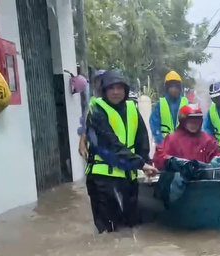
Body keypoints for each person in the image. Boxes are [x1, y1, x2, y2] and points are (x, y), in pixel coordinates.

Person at [85, 69, 158, 233]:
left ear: (125, 90)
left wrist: (146, 161)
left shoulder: (132, 109)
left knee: (130, 227)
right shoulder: (97, 111)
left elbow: (142, 139)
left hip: (127, 178)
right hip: (102, 179)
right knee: (108, 231)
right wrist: (140, 164)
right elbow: (110, 144)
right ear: (104, 90)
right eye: (111, 88)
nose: (116, 92)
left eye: (120, 87)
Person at [153, 104, 220, 170]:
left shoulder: (208, 140)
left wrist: (217, 162)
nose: (194, 124)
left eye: (196, 120)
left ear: (201, 121)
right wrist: (173, 162)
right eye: (190, 121)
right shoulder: (172, 139)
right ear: (183, 121)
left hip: (202, 180)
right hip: (178, 180)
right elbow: (159, 158)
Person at [149, 70, 189, 149]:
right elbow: (154, 125)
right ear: (167, 88)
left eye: (176, 86)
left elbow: (195, 124)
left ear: (180, 88)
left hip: (184, 146)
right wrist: (161, 142)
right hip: (164, 145)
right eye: (171, 86)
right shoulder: (160, 104)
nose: (174, 89)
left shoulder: (187, 103)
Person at [78, 69, 105, 159]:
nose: (100, 84)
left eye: (102, 80)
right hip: (96, 152)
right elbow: (85, 125)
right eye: (97, 80)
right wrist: (82, 143)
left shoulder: (117, 103)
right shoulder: (92, 104)